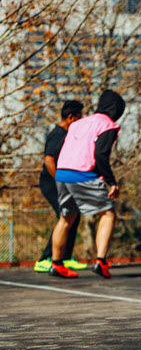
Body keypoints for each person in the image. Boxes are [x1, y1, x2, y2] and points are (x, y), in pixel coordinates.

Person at [48, 89, 125, 279]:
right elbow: (101, 154)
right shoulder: (108, 125)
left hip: (62, 173)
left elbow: (60, 149)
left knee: (66, 218)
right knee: (107, 213)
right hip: (82, 173)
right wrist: (111, 182)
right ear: (116, 110)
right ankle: (101, 261)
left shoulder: (78, 123)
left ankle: (56, 264)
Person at [34, 100, 87, 273]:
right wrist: (60, 180)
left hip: (63, 182)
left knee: (73, 216)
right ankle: (45, 259)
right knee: (65, 217)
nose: (82, 119)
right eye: (80, 116)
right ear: (71, 117)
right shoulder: (57, 134)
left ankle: (65, 257)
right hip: (51, 183)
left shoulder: (69, 133)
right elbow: (49, 159)